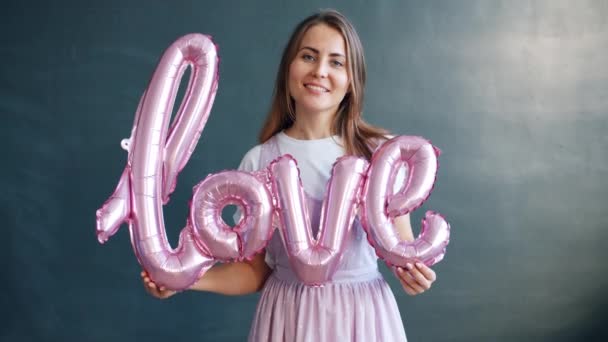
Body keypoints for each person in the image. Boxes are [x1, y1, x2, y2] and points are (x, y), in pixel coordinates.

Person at [142, 9, 437, 341]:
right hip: (288, 320)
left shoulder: (381, 154)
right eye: (308, 56)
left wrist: (413, 276)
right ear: (289, 68)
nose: (320, 71)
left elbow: (403, 250)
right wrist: (185, 280)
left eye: (336, 62)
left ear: (353, 79)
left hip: (363, 319)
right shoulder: (260, 161)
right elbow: (255, 272)